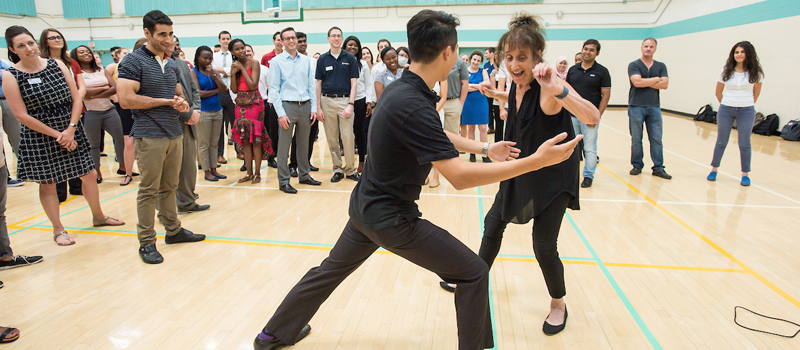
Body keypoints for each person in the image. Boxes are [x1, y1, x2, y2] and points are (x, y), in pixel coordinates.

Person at [252, 10, 583, 350]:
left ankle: (272, 334)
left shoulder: (407, 90)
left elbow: (435, 133)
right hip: (392, 219)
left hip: (365, 209)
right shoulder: (414, 101)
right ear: (447, 53)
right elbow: (459, 177)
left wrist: (485, 147)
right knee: (473, 272)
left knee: (328, 271)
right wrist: (534, 161)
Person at [439, 13, 600, 337]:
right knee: (494, 223)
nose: (514, 64)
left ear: (537, 58)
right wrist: (497, 94)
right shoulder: (515, 84)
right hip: (524, 168)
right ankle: (474, 277)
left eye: (522, 58)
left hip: (553, 177)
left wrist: (559, 88)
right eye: (509, 57)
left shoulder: (549, 86)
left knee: (543, 245)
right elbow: (521, 115)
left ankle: (558, 303)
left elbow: (592, 116)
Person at [3, 25, 125, 246]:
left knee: (88, 174)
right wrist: (58, 135)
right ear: (12, 49)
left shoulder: (57, 64)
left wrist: (70, 128)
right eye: (21, 45)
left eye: (30, 43)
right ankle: (58, 229)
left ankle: (98, 216)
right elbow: (21, 115)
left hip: (70, 126)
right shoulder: (11, 75)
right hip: (40, 134)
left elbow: (77, 98)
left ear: (36, 43)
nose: (28, 48)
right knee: (48, 183)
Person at [116, 10, 205, 264]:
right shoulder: (133, 62)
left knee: (170, 187)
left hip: (174, 133)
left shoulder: (171, 63)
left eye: (171, 34)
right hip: (149, 134)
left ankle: (173, 231)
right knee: (149, 190)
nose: (169, 39)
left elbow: (178, 94)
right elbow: (125, 99)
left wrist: (180, 102)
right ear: (147, 34)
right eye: (162, 34)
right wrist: (166, 101)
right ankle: (146, 242)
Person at [269, 27, 321, 194]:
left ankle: (304, 175)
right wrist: (281, 113)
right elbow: (274, 90)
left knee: (304, 143)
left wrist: (313, 108)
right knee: (284, 146)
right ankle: (283, 181)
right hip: (287, 106)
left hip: (305, 105)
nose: (291, 41)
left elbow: (311, 86)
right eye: (287, 38)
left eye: (293, 38)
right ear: (282, 42)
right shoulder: (276, 62)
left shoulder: (306, 61)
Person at [708, 41, 763, 186]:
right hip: (726, 109)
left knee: (745, 143)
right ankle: (714, 169)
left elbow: (756, 93)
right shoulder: (726, 70)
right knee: (721, 141)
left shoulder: (756, 72)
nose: (739, 55)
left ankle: (745, 174)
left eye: (742, 52)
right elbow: (718, 92)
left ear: (748, 54)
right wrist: (727, 103)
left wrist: (744, 104)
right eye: (736, 52)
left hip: (746, 110)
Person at [40, 28, 84, 200]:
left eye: (59, 37)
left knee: (76, 147)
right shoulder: (42, 62)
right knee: (59, 148)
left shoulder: (71, 61)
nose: (57, 40)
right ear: (45, 41)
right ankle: (59, 192)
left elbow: (81, 86)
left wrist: (75, 104)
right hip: (54, 112)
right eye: (52, 38)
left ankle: (76, 186)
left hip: (76, 109)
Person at [72, 45, 125, 184]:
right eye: (81, 52)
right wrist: (103, 88)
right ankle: (97, 171)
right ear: (75, 56)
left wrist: (93, 93)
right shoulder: (76, 73)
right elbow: (82, 93)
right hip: (90, 112)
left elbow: (114, 87)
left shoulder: (102, 70)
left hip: (109, 110)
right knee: (93, 144)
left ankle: (123, 166)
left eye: (88, 51)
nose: (86, 53)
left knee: (120, 138)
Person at [168, 35, 208, 213]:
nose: (175, 47)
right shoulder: (158, 65)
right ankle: (168, 209)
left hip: (189, 119)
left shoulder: (182, 64)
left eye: (177, 44)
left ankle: (187, 202)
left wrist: (194, 111)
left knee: (188, 165)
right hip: (172, 122)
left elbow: (193, 90)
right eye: (171, 44)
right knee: (171, 169)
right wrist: (187, 113)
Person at [316, 26, 360, 183]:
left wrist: (350, 104)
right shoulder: (322, 59)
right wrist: (319, 107)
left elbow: (354, 83)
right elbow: (318, 84)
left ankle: (350, 169)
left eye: (339, 36)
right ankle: (337, 169)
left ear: (342, 39)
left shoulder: (350, 58)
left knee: (348, 137)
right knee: (332, 138)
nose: (336, 38)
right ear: (328, 38)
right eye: (333, 36)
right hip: (327, 101)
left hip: (345, 101)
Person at [566, 39, 611, 188]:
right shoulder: (573, 70)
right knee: (571, 148)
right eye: (585, 49)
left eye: (592, 50)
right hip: (572, 116)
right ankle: (570, 175)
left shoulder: (602, 71)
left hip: (589, 118)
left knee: (590, 148)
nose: (587, 52)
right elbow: (567, 94)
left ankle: (588, 176)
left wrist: (596, 116)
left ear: (597, 53)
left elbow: (605, 95)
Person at [229, 39, 271, 184]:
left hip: (254, 104)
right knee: (245, 139)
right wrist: (234, 72)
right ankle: (249, 173)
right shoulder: (234, 66)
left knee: (256, 140)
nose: (241, 51)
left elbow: (253, 85)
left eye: (242, 48)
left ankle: (258, 173)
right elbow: (234, 89)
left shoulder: (254, 63)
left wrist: (241, 69)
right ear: (232, 52)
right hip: (240, 105)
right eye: (237, 49)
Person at [628, 37, 671, 179]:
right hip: (636, 106)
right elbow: (637, 82)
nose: (648, 49)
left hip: (654, 107)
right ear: (641, 48)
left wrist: (645, 82)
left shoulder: (661, 66)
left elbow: (665, 85)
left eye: (651, 47)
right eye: (646, 46)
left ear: (655, 49)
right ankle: (637, 165)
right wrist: (656, 79)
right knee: (636, 138)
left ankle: (658, 167)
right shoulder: (633, 65)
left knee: (656, 139)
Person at [192, 45, 228, 181]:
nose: (208, 61)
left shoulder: (213, 72)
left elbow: (224, 89)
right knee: (203, 144)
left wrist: (215, 77)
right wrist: (215, 90)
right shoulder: (194, 72)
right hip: (203, 112)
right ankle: (206, 171)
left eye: (210, 58)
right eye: (205, 58)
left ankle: (214, 169)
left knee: (214, 142)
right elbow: (198, 93)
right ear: (198, 58)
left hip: (217, 110)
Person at [343, 35, 376, 173]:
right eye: (350, 45)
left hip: (360, 100)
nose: (353, 47)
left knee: (360, 132)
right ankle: (349, 162)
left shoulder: (362, 64)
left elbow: (368, 84)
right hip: (344, 101)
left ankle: (362, 160)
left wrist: (369, 101)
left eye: (355, 45)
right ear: (345, 46)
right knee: (346, 133)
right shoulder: (341, 62)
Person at [288, 31, 320, 175]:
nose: (302, 43)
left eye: (304, 41)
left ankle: (305, 163)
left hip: (312, 102)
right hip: (297, 103)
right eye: (299, 41)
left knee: (311, 134)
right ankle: (293, 164)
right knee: (297, 136)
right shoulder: (291, 61)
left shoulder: (313, 61)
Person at [107, 47, 138, 186]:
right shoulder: (116, 67)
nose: (128, 55)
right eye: (124, 53)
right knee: (128, 142)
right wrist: (114, 96)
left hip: (143, 106)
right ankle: (128, 173)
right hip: (126, 107)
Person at [460, 50, 490, 163]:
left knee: (483, 128)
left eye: (478, 60)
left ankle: (484, 154)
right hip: (468, 103)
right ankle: (472, 152)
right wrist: (479, 86)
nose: (476, 62)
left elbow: (487, 85)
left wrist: (471, 86)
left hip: (481, 102)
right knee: (471, 128)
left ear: (481, 62)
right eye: (474, 59)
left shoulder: (483, 71)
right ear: (470, 60)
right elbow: (463, 87)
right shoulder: (464, 71)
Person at [212, 30, 235, 165]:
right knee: (219, 126)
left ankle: (240, 150)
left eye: (228, 38)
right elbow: (211, 70)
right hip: (219, 92)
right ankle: (220, 154)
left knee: (235, 123)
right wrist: (227, 71)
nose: (226, 41)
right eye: (223, 39)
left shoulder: (234, 56)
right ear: (219, 40)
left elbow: (234, 70)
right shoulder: (214, 56)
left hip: (233, 92)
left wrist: (221, 70)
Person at [0, 57, 24, 187]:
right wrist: (3, 73)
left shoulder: (2, 61)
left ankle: (25, 171)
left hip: (7, 100)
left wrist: (4, 73)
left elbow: (11, 74)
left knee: (17, 136)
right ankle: (5, 177)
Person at [443, 50, 469, 144]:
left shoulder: (459, 62)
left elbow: (465, 83)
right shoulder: (434, 59)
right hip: (436, 102)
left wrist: (460, 104)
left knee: (452, 136)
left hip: (452, 101)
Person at [484, 47, 497, 134]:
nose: (485, 55)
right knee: (489, 108)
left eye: (486, 53)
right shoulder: (486, 65)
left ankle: (499, 125)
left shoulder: (498, 64)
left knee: (496, 108)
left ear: (492, 53)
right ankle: (491, 127)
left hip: (497, 90)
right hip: (488, 91)